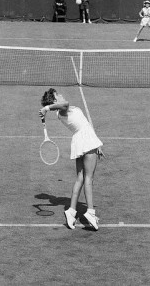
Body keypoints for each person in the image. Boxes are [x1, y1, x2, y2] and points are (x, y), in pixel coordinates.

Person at [39, 88, 103, 230]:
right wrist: (47, 108)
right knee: (88, 178)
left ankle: (71, 211)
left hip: (84, 140)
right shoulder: (62, 110)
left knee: (80, 178)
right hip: (85, 140)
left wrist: (96, 143)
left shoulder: (62, 110)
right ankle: (90, 212)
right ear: (55, 100)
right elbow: (65, 104)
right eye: (58, 95)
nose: (61, 95)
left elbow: (84, 123)